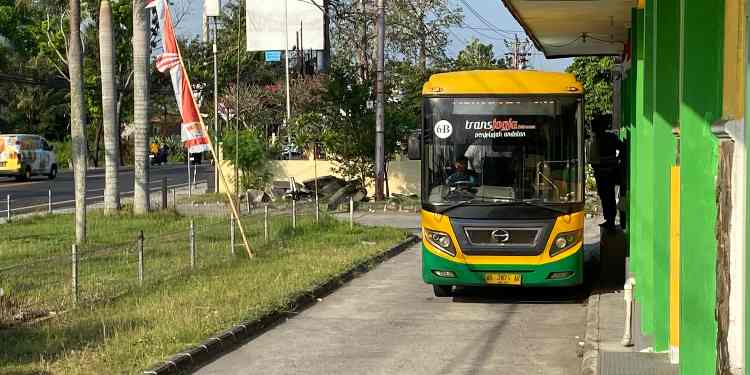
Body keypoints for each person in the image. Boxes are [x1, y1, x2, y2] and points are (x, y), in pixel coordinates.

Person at [589, 114, 625, 230]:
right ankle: (609, 219)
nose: (594, 130)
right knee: (605, 197)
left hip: (607, 173)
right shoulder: (600, 139)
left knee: (608, 197)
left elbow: (622, 148)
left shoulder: (608, 138)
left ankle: (610, 220)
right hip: (603, 173)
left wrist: (613, 161)